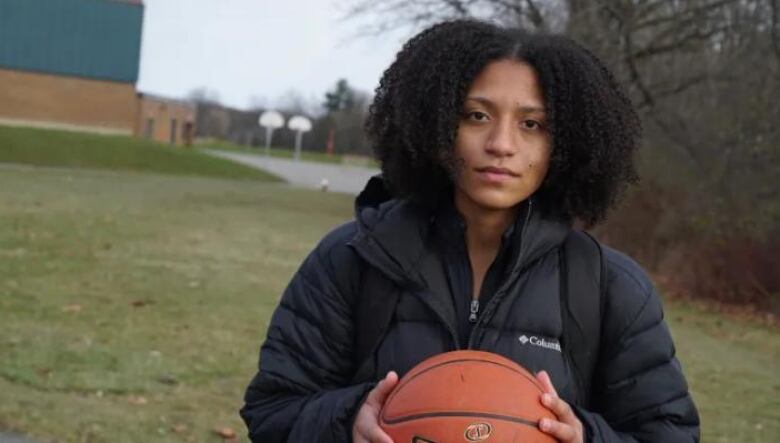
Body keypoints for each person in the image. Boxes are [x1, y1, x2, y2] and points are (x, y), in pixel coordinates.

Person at [240, 20, 700, 443]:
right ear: (437, 125)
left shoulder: (609, 287)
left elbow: (669, 434)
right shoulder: (351, 257)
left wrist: (586, 437)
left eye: (532, 124)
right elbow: (273, 410)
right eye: (476, 115)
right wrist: (348, 420)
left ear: (565, 143)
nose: (501, 144)